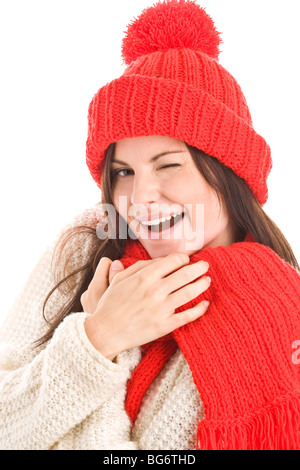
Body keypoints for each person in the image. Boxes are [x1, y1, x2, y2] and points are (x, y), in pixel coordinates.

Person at [1, 0, 300, 451]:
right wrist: (98, 338)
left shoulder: (284, 308)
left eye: (168, 165)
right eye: (123, 172)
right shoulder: (87, 245)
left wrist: (110, 347)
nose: (139, 199)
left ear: (229, 169)